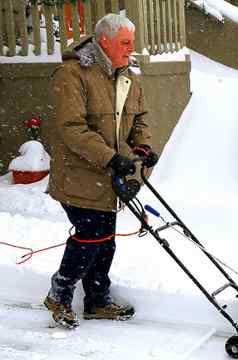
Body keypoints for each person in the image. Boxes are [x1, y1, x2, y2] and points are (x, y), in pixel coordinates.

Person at [44, 13, 159, 329]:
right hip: (79, 174)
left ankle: (96, 300)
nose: (130, 48)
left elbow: (140, 118)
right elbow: (71, 128)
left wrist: (143, 148)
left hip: (109, 175)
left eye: (132, 43)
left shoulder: (127, 75)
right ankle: (60, 293)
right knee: (92, 234)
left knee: (105, 238)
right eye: (125, 43)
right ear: (104, 41)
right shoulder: (73, 73)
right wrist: (110, 157)